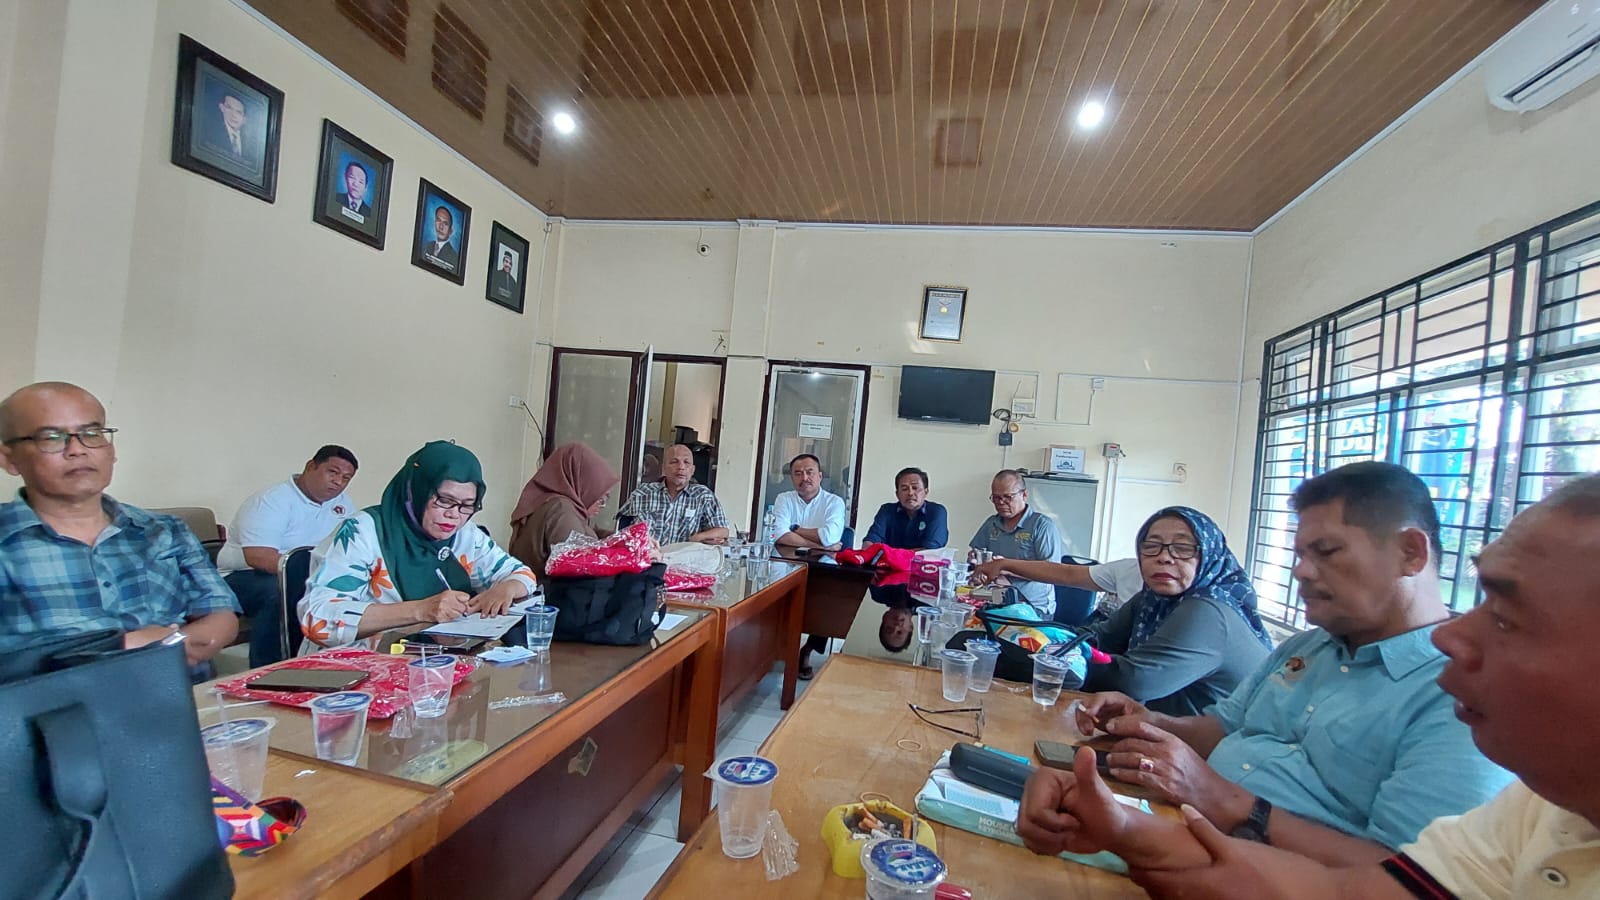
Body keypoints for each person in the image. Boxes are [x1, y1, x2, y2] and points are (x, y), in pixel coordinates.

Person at [1015, 473, 1600, 900]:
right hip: (1197, 838)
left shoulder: (1457, 699)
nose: (1300, 570)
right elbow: (1368, 890)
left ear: (1410, 552)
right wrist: (1129, 797)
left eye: (1507, 615)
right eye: (1299, 553)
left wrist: (1233, 805)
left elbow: (1375, 868)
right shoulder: (1537, 815)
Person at [0, 382, 239, 672]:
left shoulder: (164, 531)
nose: (77, 450)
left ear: (111, 450)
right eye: (51, 437)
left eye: (92, 434)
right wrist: (127, 646)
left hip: (178, 694)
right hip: (53, 699)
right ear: (9, 459)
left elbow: (220, 614)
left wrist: (172, 643)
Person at [297, 441, 535, 651]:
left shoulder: (464, 535)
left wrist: (505, 589)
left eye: (467, 505)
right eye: (444, 500)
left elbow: (522, 574)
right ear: (417, 491)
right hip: (348, 669)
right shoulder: (363, 532)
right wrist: (420, 610)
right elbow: (318, 619)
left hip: (428, 662)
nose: (454, 514)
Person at [1093, 507, 1274, 715]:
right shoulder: (1152, 600)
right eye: (1151, 546)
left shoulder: (1208, 611)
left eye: (1183, 548)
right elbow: (1100, 637)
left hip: (1216, 736)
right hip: (1162, 727)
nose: (1164, 557)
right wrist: (1065, 643)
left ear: (1209, 555)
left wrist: (1071, 659)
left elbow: (1134, 680)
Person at [217, 445, 359, 667]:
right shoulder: (272, 501)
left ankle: (333, 661)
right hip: (243, 577)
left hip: (307, 573)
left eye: (346, 478)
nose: (338, 482)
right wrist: (314, 576)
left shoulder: (342, 504)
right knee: (280, 592)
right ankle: (271, 668)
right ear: (310, 466)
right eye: (333, 472)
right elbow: (258, 557)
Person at [508, 443, 619, 577]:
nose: (602, 505)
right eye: (600, 498)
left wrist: (624, 539)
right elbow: (580, 563)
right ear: (584, 486)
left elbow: (591, 530)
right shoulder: (561, 510)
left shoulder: (558, 504)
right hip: (545, 589)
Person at [968, 469, 1063, 617]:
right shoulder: (992, 523)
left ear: (1024, 495)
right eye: (996, 498)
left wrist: (1006, 568)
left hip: (1032, 606)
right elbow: (977, 554)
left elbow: (1052, 572)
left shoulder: (1042, 526)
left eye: (1008, 497)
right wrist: (976, 562)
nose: (1001, 503)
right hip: (998, 598)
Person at [617, 443, 729, 545]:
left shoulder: (703, 496)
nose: (681, 467)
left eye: (686, 462)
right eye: (674, 462)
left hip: (684, 558)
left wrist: (698, 537)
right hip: (647, 558)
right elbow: (621, 527)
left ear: (692, 470)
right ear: (664, 468)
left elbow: (723, 531)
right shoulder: (643, 493)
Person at [971, 555, 1144, 609]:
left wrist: (1006, 567)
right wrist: (1004, 564)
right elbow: (1067, 573)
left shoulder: (1042, 526)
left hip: (1036, 607)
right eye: (1151, 545)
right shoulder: (1128, 570)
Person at [771, 454, 846, 550]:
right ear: (792, 478)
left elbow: (829, 537)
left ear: (820, 476)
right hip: (787, 558)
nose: (804, 478)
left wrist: (795, 529)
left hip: (822, 559)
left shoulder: (834, 502)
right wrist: (820, 547)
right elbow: (779, 535)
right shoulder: (784, 499)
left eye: (809, 473)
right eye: (798, 474)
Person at [863, 467, 948, 550]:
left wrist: (893, 555)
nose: (910, 493)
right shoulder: (886, 510)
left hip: (921, 561)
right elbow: (870, 542)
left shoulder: (936, 511)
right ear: (897, 494)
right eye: (904, 489)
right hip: (888, 560)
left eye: (915, 488)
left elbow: (931, 549)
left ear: (925, 492)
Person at [200, 91, 259, 168]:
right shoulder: (208, 132)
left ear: (244, 119)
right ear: (222, 108)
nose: (233, 115)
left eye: (238, 112)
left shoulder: (253, 147)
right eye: (229, 108)